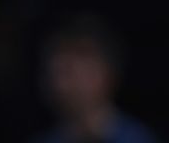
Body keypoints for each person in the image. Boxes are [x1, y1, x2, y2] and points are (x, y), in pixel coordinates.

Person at [32, 14, 159, 143]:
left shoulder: (137, 139)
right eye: (51, 73)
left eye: (68, 73)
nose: (58, 85)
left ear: (104, 74)